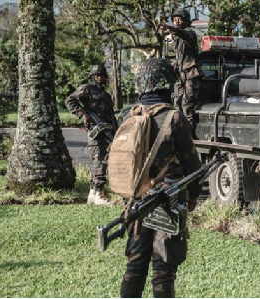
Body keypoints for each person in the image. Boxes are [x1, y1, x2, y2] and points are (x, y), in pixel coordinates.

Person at [119, 58, 202, 298]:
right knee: (163, 269)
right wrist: (193, 198)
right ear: (167, 83)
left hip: (135, 201)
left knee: (135, 265)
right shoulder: (173, 118)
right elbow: (193, 167)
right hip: (168, 202)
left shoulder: (129, 116)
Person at [65, 64, 117, 205]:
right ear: (93, 77)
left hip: (107, 131)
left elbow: (111, 115)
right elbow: (70, 100)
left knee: (103, 159)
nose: (100, 78)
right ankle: (99, 194)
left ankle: (93, 193)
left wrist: (115, 129)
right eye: (97, 75)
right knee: (98, 159)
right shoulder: (87, 89)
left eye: (102, 75)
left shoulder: (106, 95)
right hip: (95, 130)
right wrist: (83, 115)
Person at [161, 8, 203, 134]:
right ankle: (179, 134)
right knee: (176, 105)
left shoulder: (190, 34)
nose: (176, 21)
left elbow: (181, 33)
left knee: (187, 105)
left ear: (186, 21)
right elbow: (177, 59)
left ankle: (189, 136)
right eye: (174, 20)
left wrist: (169, 27)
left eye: (179, 19)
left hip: (191, 75)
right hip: (180, 77)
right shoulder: (176, 40)